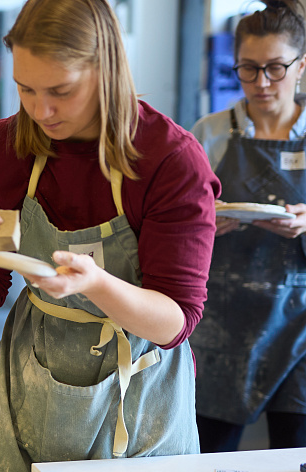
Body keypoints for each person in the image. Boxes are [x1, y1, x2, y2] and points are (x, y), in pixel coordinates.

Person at [0, 0, 220, 469]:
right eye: (25, 89)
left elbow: (175, 321)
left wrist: (95, 284)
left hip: (141, 390)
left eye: (61, 91)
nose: (41, 110)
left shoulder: (169, 161)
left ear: (105, 68)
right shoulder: (5, 150)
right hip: (32, 375)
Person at [189, 0, 306, 451]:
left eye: (275, 68)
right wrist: (202, 226)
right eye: (248, 68)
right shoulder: (208, 134)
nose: (261, 82)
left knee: (295, 453)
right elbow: (172, 221)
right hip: (222, 323)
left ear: (301, 66)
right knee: (209, 455)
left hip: (300, 324)